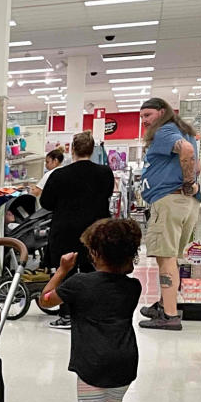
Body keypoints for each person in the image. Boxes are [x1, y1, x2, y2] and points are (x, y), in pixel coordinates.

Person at [40, 219, 142, 402]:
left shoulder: (79, 284)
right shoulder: (133, 288)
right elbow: (123, 272)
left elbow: (46, 299)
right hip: (125, 360)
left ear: (94, 254)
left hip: (92, 361)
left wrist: (62, 270)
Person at [137, 97, 200, 330]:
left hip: (170, 200)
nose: (144, 121)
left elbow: (186, 151)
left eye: (148, 115)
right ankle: (165, 304)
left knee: (166, 258)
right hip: (185, 202)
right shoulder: (184, 131)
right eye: (142, 116)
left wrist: (186, 182)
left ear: (162, 112)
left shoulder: (165, 131)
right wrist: (190, 184)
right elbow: (196, 162)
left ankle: (170, 315)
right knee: (171, 257)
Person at [40, 132, 115, 328]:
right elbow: (107, 194)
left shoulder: (59, 175)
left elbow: (46, 202)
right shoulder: (105, 173)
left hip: (65, 230)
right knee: (94, 270)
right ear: (92, 150)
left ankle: (66, 315)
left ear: (72, 149)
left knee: (66, 272)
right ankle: (92, 312)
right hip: (96, 230)